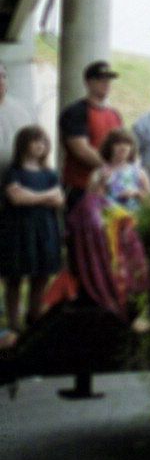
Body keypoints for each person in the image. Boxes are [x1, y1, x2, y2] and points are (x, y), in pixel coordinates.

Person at [0, 125, 63, 335]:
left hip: (44, 228)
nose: (40, 145)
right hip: (18, 229)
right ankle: (13, 322)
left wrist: (30, 196)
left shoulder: (50, 173)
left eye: (43, 141)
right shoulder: (14, 172)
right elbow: (16, 199)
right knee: (15, 276)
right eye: (36, 141)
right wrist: (46, 196)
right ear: (24, 144)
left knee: (42, 274)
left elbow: (59, 200)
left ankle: (34, 315)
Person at [58, 60, 124, 210]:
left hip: (110, 188)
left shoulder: (115, 114)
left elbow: (124, 146)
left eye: (109, 80)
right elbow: (81, 150)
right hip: (81, 187)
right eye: (101, 79)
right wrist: (111, 167)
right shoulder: (75, 112)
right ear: (88, 82)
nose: (106, 84)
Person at [96, 129, 150, 212]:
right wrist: (102, 183)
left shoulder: (139, 172)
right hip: (110, 217)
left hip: (134, 216)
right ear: (109, 147)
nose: (123, 147)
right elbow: (95, 202)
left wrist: (136, 193)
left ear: (132, 148)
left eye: (127, 144)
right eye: (118, 143)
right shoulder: (101, 172)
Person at [0, 61, 39, 169]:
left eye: (3, 76)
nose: (1, 81)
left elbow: (38, 141)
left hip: (20, 174)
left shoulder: (25, 109)